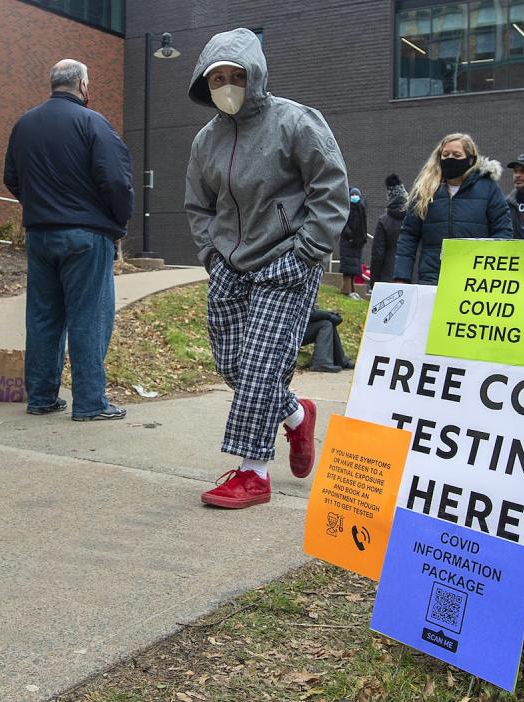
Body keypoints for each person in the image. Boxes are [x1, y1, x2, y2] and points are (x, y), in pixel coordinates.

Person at [184, 28, 349, 509]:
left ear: (255, 75)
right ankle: (297, 415)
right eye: (218, 78)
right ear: (205, 83)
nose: (228, 85)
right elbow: (198, 205)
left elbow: (330, 187)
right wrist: (211, 257)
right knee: (232, 363)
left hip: (287, 259)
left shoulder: (296, 122)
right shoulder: (205, 140)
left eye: (237, 75)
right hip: (230, 264)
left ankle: (253, 473)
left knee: (260, 365)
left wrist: (307, 251)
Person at [3, 59, 133, 421]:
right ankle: (91, 403)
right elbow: (117, 181)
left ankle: (42, 397)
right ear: (82, 85)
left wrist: (39, 205)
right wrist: (117, 221)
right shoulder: (93, 123)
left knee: (44, 316)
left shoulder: (24, 124)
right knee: (89, 317)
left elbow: (10, 177)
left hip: (40, 236)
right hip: (86, 236)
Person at [393, 133, 512, 285]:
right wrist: (401, 277)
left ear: (470, 159)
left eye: (457, 155)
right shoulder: (424, 190)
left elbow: (502, 231)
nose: (450, 159)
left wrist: (491, 272)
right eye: (445, 154)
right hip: (432, 279)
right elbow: (409, 235)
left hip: (474, 281)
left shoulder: (488, 188)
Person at [370, 173, 407, 289]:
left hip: (387, 276)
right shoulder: (415, 218)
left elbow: (378, 255)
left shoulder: (384, 221)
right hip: (410, 276)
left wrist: (373, 281)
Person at [301, 306, 354, 373]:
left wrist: (330, 315)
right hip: (288, 334)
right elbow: (305, 313)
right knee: (326, 325)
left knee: (328, 323)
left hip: (298, 329)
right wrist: (328, 315)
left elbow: (311, 312)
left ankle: (340, 361)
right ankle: (321, 363)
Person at [339, 187, 367, 299]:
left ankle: (348, 288)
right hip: (351, 242)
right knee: (349, 266)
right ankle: (347, 288)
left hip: (353, 242)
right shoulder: (358, 208)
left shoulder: (358, 208)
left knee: (351, 267)